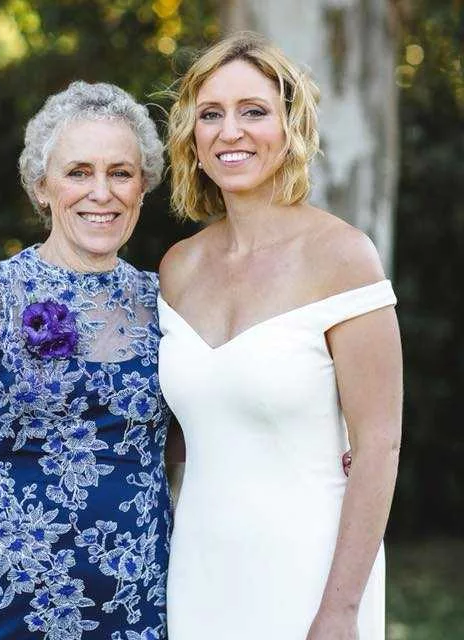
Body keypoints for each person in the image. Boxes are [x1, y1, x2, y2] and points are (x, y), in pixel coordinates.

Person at [0, 81, 173, 640]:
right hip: (3, 601)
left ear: (143, 187)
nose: (102, 192)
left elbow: (207, 436)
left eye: (121, 173)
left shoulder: (165, 302)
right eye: (79, 172)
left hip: (139, 601)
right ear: (42, 186)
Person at [158, 32, 402, 640]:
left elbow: (378, 447)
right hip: (198, 573)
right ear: (191, 134)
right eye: (210, 114)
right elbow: (176, 433)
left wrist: (340, 613)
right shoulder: (177, 269)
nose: (230, 132)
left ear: (291, 126)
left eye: (254, 111)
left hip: (312, 575)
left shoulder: (344, 258)